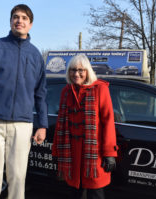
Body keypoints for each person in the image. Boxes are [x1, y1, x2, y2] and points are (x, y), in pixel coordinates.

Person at [0, 4, 48, 199]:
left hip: (22, 124)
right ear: (10, 21)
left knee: (18, 175)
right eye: (15, 17)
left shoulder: (36, 56)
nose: (19, 20)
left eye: (23, 18)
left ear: (30, 24)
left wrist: (43, 125)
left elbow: (41, 94)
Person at [52, 54, 118, 199]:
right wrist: (56, 151)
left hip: (94, 153)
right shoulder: (66, 91)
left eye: (81, 70)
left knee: (95, 192)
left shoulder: (100, 89)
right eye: (73, 70)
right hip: (71, 152)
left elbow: (108, 121)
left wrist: (110, 153)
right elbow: (60, 124)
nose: (76, 74)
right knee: (76, 192)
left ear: (88, 71)